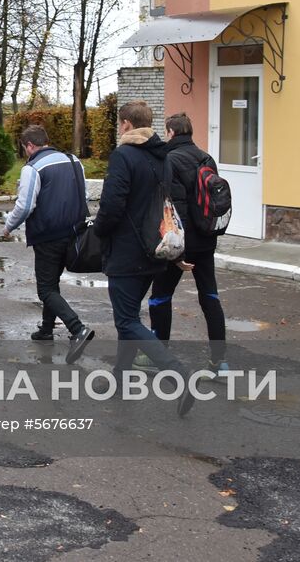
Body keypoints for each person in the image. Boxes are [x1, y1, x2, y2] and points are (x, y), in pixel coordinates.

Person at [91, 100, 194, 417]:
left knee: (126, 321)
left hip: (126, 251)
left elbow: (112, 204)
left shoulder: (124, 155)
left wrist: (98, 231)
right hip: (153, 249)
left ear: (125, 124)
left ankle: (179, 375)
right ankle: (119, 381)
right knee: (129, 319)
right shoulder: (161, 155)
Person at [4, 124, 94, 363]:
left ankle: (78, 329)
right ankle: (46, 329)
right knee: (52, 284)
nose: (25, 153)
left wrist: (8, 226)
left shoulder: (33, 167)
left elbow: (25, 206)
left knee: (45, 289)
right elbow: (83, 194)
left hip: (48, 235)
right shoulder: (74, 160)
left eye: (25, 149)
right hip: (76, 232)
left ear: (30, 146)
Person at [147, 113, 228, 373]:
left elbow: (175, 209)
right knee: (210, 297)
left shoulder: (170, 159)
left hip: (185, 244)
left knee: (159, 297)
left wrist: (178, 253)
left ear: (170, 132)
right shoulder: (206, 157)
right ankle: (219, 362)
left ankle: (159, 357)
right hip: (207, 240)